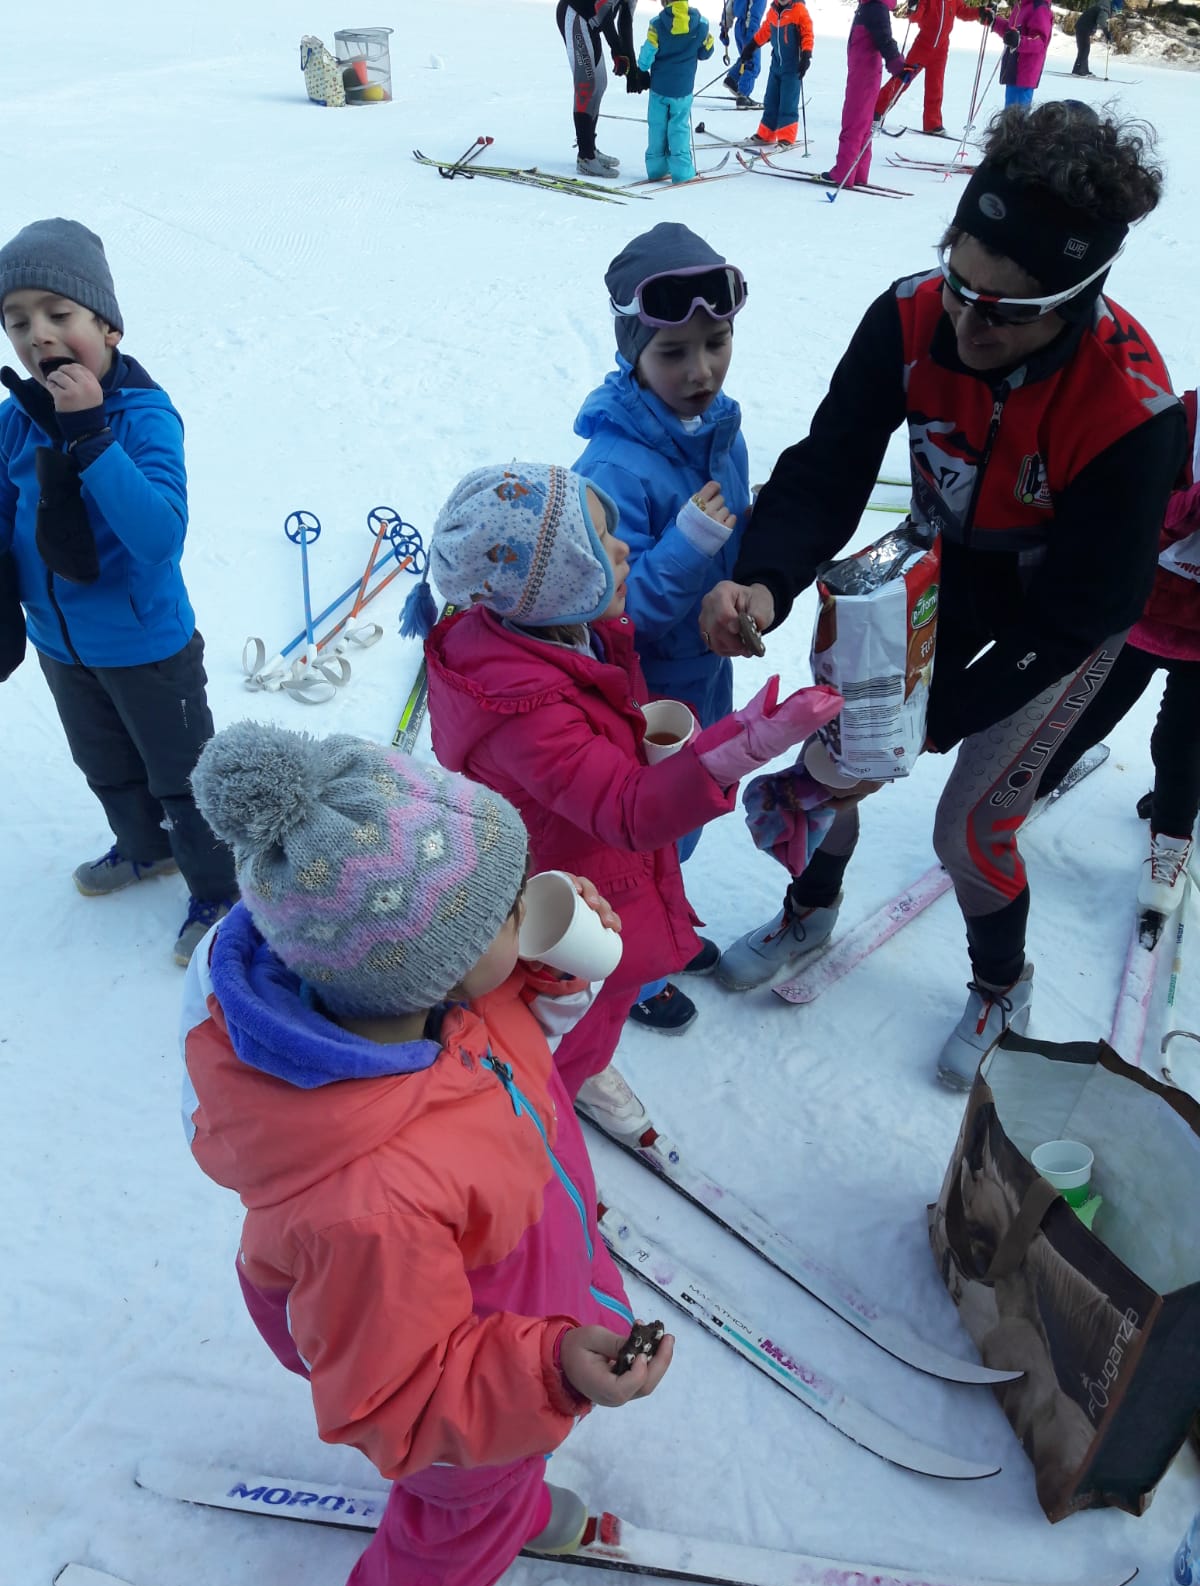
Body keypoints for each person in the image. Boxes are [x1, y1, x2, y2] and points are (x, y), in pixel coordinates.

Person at [698, 102, 1187, 1086]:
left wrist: (937, 718)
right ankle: (811, 910)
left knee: (967, 825)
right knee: (833, 747)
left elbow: (1089, 607)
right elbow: (831, 463)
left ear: (1079, 298)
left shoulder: (1132, 408)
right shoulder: (913, 312)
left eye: (1004, 310)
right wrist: (763, 575)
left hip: (1054, 621)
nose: (966, 322)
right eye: (961, 280)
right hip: (932, 565)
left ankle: (1001, 983)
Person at [182, 722, 676, 1586]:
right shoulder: (367, 1205)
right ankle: (477, 1520)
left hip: (525, 1296)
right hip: (468, 1394)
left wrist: (552, 975)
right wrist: (551, 1368)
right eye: (505, 909)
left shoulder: (437, 1010)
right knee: (450, 1535)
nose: (527, 911)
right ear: (432, 967)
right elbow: (407, 1397)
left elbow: (511, 1068)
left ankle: (508, 1502)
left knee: (496, 1486)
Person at [416, 461, 838, 1136]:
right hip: (574, 909)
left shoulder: (552, 633)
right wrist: (742, 746)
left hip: (595, 879)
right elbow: (628, 811)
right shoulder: (527, 709)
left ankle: (573, 1068)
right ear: (553, 585)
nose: (622, 551)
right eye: (599, 544)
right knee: (577, 1019)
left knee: (593, 1014)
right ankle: (543, 1140)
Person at [0, 218, 237, 965]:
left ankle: (217, 890)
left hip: (146, 648)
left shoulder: (143, 419)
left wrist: (91, 436)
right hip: (59, 643)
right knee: (103, 763)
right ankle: (143, 849)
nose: (37, 334)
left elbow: (158, 536)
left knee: (182, 780)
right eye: (16, 321)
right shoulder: (15, 420)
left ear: (107, 325)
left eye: (57, 314)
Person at [572, 222, 751, 1032]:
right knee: (644, 836)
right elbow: (612, 613)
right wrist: (689, 547)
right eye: (673, 353)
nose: (701, 370)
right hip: (647, 696)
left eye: (715, 342)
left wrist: (748, 590)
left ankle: (664, 930)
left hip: (705, 672)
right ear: (632, 356)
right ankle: (627, 968)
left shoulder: (719, 429)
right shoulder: (613, 468)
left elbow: (736, 540)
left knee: (689, 823)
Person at [1033, 385, 1199, 916]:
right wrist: (1187, 509)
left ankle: (1171, 840)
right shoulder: (1184, 417)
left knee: (1184, 743)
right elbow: (1128, 508)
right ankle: (1026, 794)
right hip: (1141, 606)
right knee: (1085, 710)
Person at [820, 0, 909, 187]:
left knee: (853, 122)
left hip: (863, 75)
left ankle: (843, 173)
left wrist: (898, 65)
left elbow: (885, 40)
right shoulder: (871, 6)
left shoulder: (874, 7)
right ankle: (858, 173)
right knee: (863, 123)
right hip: (864, 73)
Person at [557, 0, 648, 178]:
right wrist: (617, 50)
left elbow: (625, 22)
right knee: (588, 84)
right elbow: (604, 14)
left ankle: (589, 146)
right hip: (575, 15)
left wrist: (632, 68)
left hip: (592, 22)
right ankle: (585, 156)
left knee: (600, 83)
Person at [873, 0, 979, 136]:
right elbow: (915, 17)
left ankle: (933, 124)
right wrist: (913, 7)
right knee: (903, 78)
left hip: (941, 47)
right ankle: (876, 110)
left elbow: (963, 11)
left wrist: (980, 12)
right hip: (923, 45)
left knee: (936, 85)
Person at [636, 1, 715, 183]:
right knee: (678, 128)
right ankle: (682, 171)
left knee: (657, 127)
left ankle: (656, 169)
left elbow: (648, 52)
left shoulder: (657, 23)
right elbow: (706, 52)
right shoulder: (701, 23)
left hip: (659, 89)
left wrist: (641, 69)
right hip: (682, 89)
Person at [737, 0, 814, 148]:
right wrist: (751, 47)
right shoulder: (773, 11)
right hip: (776, 65)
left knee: (787, 102)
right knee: (770, 99)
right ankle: (766, 133)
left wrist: (806, 55)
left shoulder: (799, 10)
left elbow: (807, 33)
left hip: (792, 67)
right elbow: (765, 31)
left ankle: (786, 137)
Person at [980, 0, 1052, 109]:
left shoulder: (1039, 7)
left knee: (1017, 118)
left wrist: (1019, 41)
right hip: (1013, 69)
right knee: (1010, 115)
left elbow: (1041, 42)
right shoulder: (1021, 5)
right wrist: (994, 22)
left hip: (1024, 74)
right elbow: (1010, 31)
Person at [721, 0, 770, 108]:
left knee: (745, 57)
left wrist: (725, 28)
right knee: (753, 64)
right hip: (749, 27)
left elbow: (729, 7)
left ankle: (732, 79)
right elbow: (754, 13)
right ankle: (743, 96)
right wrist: (752, 35)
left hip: (739, 27)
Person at [1072, 0, 1114, 77]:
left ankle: (1080, 69)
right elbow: (1101, 21)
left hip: (1082, 28)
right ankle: (1080, 71)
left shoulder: (1100, 7)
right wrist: (1106, 33)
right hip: (1084, 28)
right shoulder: (1104, 9)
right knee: (1085, 49)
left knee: (1084, 49)